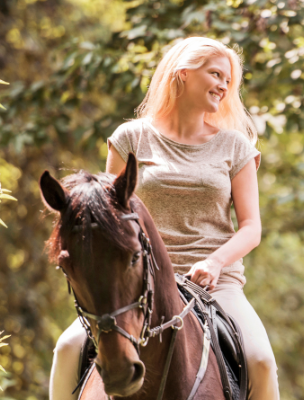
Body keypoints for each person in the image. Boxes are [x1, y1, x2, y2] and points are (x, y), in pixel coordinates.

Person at [49, 36, 279, 400]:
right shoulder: (130, 138)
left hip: (215, 286)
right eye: (216, 73)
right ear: (184, 72)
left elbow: (252, 228)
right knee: (66, 348)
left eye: (228, 80)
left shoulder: (235, 146)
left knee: (261, 360)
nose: (223, 85)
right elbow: (111, 219)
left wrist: (216, 262)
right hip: (139, 285)